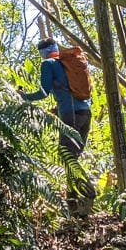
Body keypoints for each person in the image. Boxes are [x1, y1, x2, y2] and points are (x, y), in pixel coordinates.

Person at [21, 37, 97, 219]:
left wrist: (23, 96)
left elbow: (44, 92)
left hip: (71, 115)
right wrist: (58, 109)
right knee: (71, 157)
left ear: (42, 53)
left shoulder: (48, 64)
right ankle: (75, 207)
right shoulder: (68, 64)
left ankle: (89, 192)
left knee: (66, 155)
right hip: (85, 114)